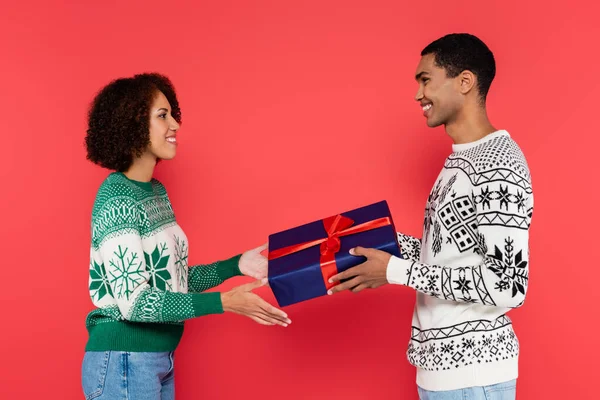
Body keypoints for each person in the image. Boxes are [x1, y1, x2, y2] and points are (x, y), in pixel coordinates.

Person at [328, 33, 533, 399]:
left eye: (426, 80)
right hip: (442, 373)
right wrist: (381, 247)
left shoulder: (498, 164)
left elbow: (508, 286)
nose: (417, 95)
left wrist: (394, 271)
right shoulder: (460, 161)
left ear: (465, 82)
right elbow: (447, 254)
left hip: (474, 378)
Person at [81, 73, 291, 400]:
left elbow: (172, 282)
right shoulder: (117, 199)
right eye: (162, 116)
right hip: (124, 361)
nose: (175, 125)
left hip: (155, 360)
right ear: (131, 124)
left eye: (173, 114)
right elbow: (135, 302)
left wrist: (236, 265)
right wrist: (225, 302)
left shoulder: (155, 193)